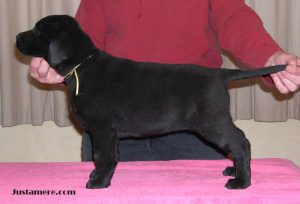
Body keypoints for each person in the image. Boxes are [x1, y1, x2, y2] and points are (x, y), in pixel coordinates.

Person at [29, 0, 300, 161]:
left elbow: (234, 20)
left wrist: (269, 55)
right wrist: (59, 66)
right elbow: (84, 43)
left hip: (193, 123)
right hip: (114, 129)